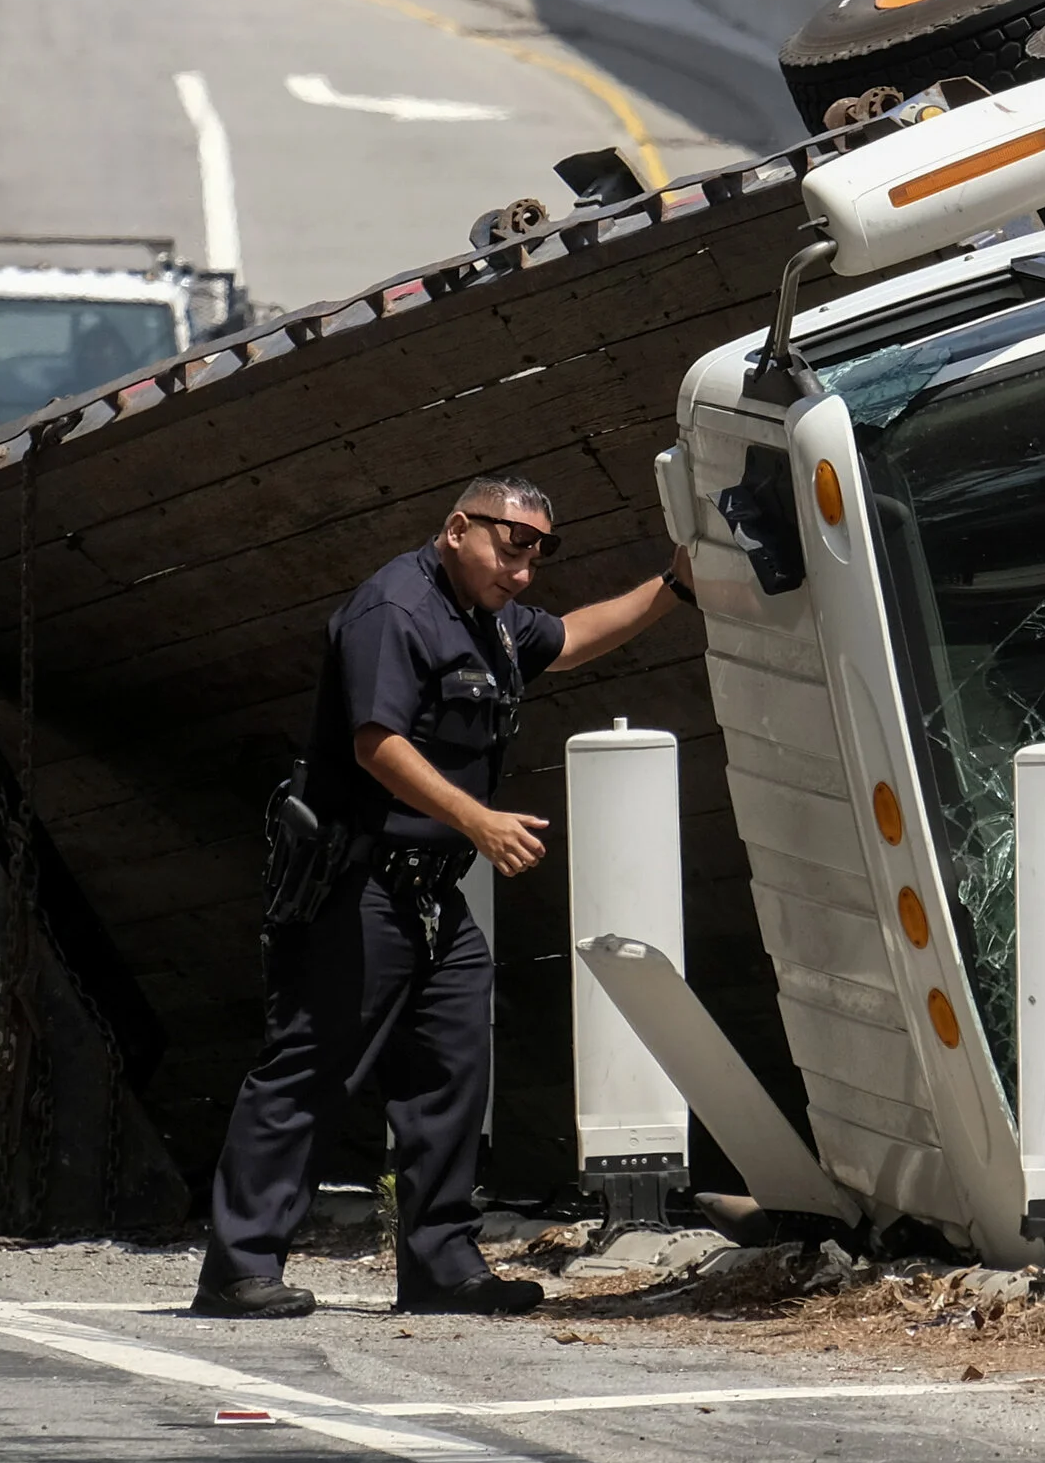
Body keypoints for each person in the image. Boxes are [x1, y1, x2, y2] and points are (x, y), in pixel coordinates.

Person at [193, 476, 699, 1318]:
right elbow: (376, 744)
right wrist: (480, 821)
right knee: (309, 1072)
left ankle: (440, 1268)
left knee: (450, 1075)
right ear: (458, 527)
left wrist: (674, 587)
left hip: (432, 894)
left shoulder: (491, 615)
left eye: (540, 550)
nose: (525, 568)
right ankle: (238, 1266)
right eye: (511, 544)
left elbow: (570, 639)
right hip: (355, 888)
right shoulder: (394, 611)